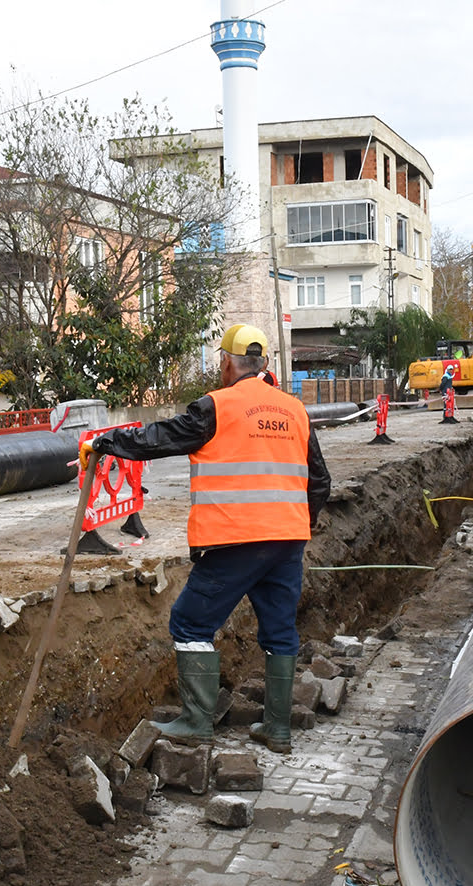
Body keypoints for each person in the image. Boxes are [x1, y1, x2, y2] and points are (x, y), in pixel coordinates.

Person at [81, 323, 330, 754]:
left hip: (235, 538)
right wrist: (296, 525)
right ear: (266, 364)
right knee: (279, 631)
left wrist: (107, 441)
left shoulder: (218, 405)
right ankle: (278, 729)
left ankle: (197, 721)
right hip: (287, 540)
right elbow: (320, 482)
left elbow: (159, 438)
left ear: (227, 362)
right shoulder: (295, 410)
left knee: (190, 622)